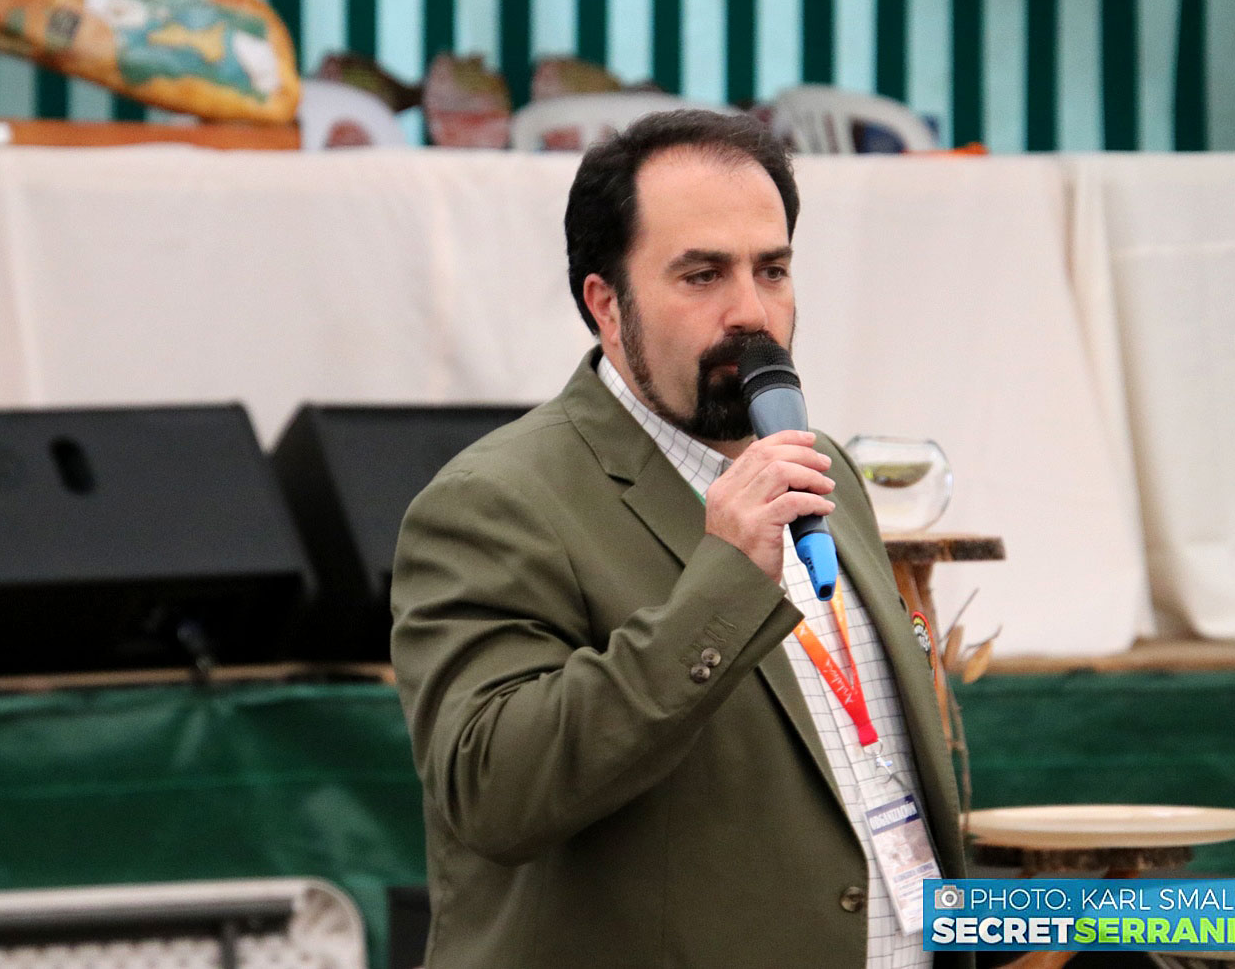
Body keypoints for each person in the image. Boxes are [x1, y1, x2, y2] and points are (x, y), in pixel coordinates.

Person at [390, 110, 966, 968]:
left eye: (772, 269)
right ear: (606, 305)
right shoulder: (493, 502)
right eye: (702, 275)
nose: (751, 312)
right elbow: (491, 793)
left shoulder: (827, 472)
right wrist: (724, 580)